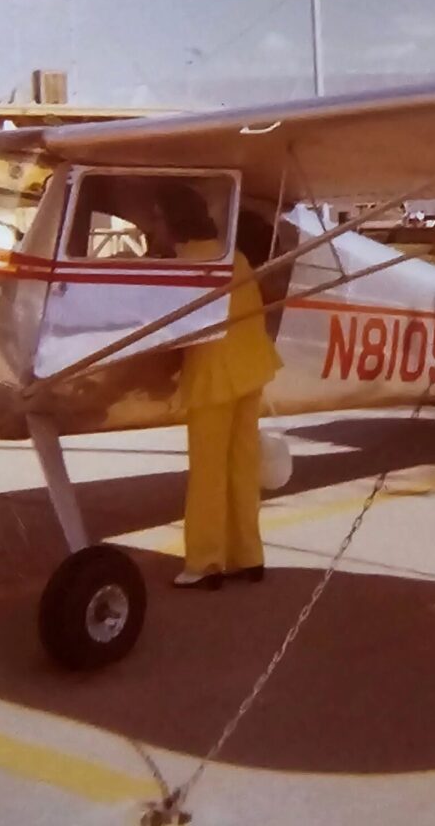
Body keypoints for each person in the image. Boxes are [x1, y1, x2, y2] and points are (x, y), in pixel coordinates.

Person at [168, 186, 283, 590]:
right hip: (251, 369)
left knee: (208, 472)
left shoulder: (183, 265)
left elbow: (173, 332)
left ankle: (205, 562)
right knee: (241, 465)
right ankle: (248, 557)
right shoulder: (234, 257)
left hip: (213, 376)